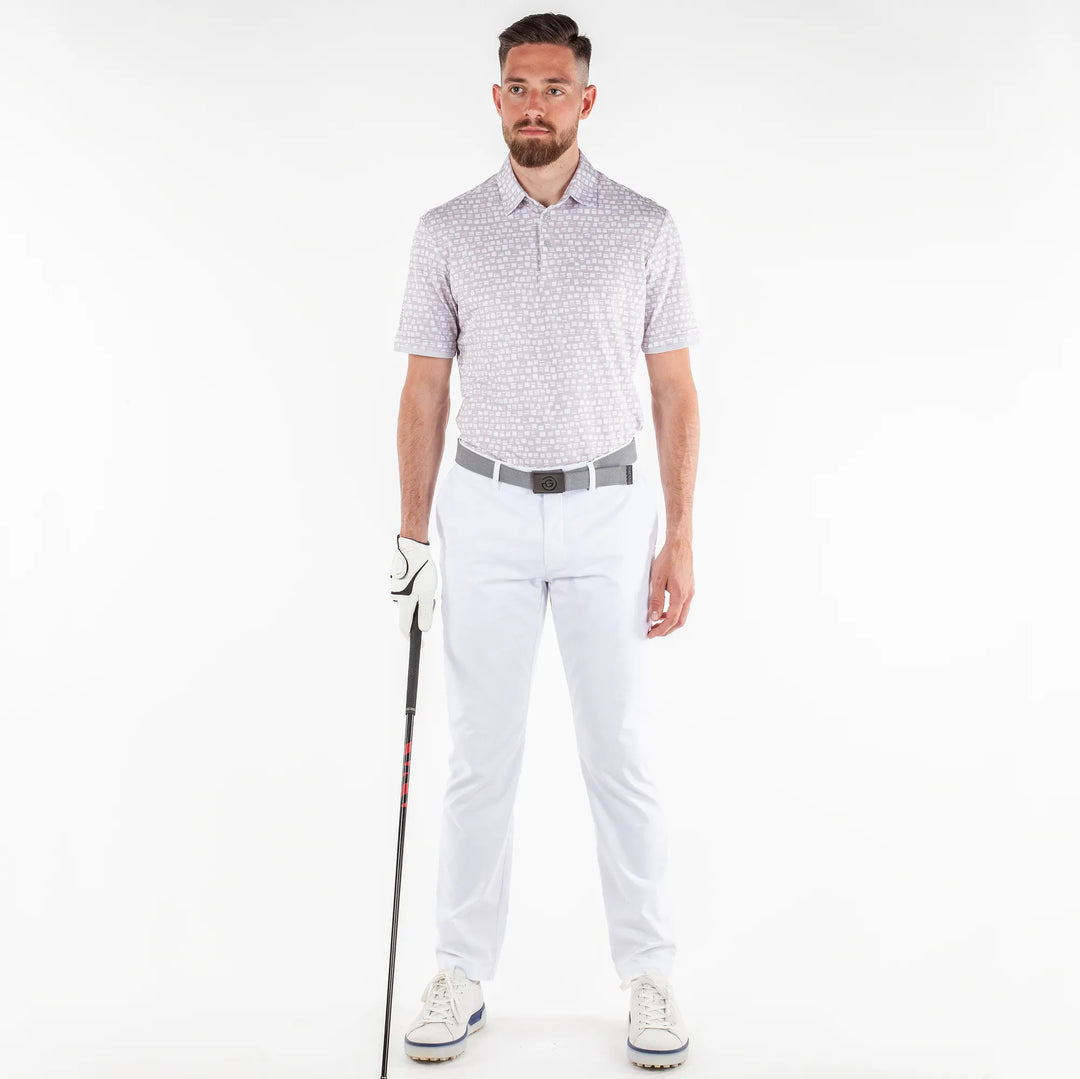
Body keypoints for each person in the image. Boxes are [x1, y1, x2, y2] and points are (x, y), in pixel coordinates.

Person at [388, 12, 700, 1070]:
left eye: (553, 88)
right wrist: (412, 534)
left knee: (620, 749)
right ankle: (460, 970)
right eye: (519, 87)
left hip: (610, 509)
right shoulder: (447, 231)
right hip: (485, 508)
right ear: (497, 98)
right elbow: (424, 391)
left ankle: (649, 973)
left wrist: (681, 536)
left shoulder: (646, 228)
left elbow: (675, 389)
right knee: (482, 753)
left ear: (586, 100)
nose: (535, 105)